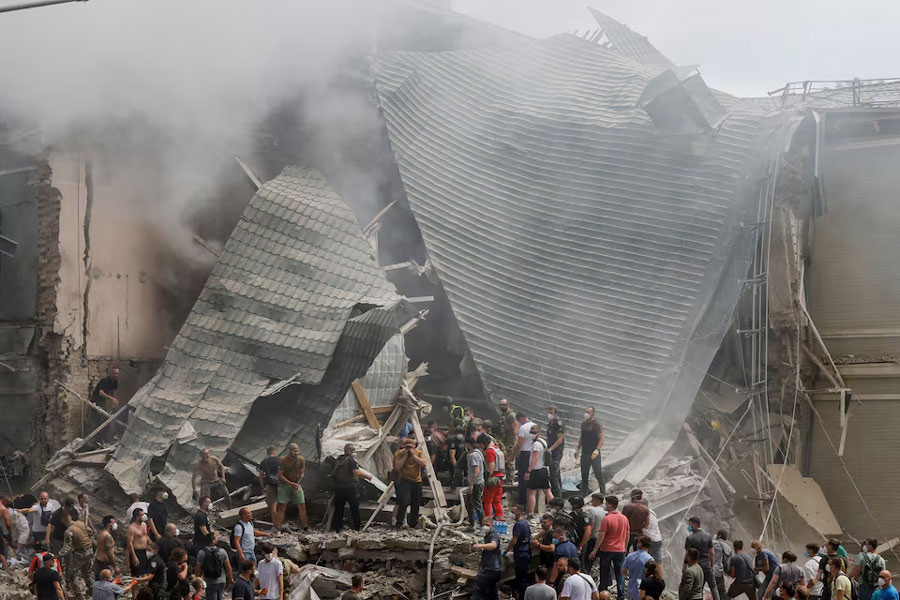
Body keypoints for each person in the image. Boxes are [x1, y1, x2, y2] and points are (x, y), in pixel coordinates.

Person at [592, 495, 629, 600]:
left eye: (606, 503)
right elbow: (627, 534)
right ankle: (621, 595)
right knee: (620, 573)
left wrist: (595, 549)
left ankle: (603, 592)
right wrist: (625, 547)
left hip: (607, 549)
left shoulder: (607, 518)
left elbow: (601, 535)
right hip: (620, 550)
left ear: (609, 505)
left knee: (604, 572)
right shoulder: (624, 518)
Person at [330, 443, 371, 532]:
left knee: (339, 508)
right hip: (350, 488)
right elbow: (356, 472)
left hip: (339, 487)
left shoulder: (339, 459)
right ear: (348, 450)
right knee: (354, 507)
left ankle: (338, 527)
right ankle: (357, 527)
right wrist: (367, 476)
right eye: (353, 450)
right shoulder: (351, 460)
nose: (354, 452)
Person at [59, 508, 93, 600]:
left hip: (80, 553)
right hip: (89, 550)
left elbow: (67, 547)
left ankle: (79, 595)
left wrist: (59, 555)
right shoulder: (80, 523)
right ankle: (91, 590)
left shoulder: (68, 531)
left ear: (62, 520)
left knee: (72, 574)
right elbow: (90, 531)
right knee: (86, 571)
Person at [393, 437, 426, 529]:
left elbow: (424, 464)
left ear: (415, 447)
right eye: (407, 447)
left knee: (416, 503)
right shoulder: (400, 453)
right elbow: (397, 466)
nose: (409, 449)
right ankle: (399, 523)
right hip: (405, 480)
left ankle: (413, 523)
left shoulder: (419, 453)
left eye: (411, 447)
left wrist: (413, 457)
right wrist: (406, 456)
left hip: (417, 481)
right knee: (403, 502)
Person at [684, 516, 720, 600]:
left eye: (690, 524)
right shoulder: (707, 536)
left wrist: (684, 568)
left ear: (694, 524)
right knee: (713, 586)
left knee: (697, 588)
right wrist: (711, 565)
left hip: (696, 565)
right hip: (707, 564)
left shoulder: (690, 538)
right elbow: (712, 553)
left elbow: (687, 554)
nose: (689, 526)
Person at [275, 443, 307, 531]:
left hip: (296, 483)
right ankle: (278, 527)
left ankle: (305, 526)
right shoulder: (283, 460)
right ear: (289, 451)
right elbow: (280, 475)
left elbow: (302, 472)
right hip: (284, 484)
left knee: (302, 505)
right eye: (294, 451)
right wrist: (290, 483)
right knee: (282, 506)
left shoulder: (301, 459)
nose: (296, 452)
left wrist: (297, 482)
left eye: (297, 451)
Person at [195, 531, 233, 600]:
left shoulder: (201, 552)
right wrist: (230, 578)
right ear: (213, 541)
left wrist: (198, 579)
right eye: (216, 538)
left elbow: (198, 567)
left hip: (209, 580)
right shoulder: (222, 551)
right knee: (220, 596)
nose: (217, 540)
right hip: (221, 580)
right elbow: (228, 567)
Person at [506, 504, 532, 600]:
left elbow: (514, 540)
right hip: (526, 553)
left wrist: (505, 551)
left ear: (519, 512)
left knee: (521, 579)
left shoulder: (518, 525)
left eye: (513, 512)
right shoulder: (525, 523)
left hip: (521, 555)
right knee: (524, 577)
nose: (511, 514)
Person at [575, 406, 604, 494]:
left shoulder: (596, 424)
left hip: (594, 451)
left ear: (593, 414)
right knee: (584, 474)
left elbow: (601, 438)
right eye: (585, 412)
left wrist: (597, 450)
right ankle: (583, 492)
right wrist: (578, 449)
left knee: (598, 472)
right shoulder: (583, 424)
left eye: (588, 412)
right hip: (585, 452)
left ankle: (603, 492)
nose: (586, 414)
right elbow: (581, 437)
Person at [472, 519, 503, 600]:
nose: (485, 527)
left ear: (492, 525)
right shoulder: (488, 536)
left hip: (491, 569)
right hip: (495, 569)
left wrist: (480, 546)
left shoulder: (493, 535)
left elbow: (493, 545)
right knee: (492, 592)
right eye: (484, 525)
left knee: (478, 591)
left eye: (487, 525)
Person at [526, 425, 553, 515]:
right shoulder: (543, 442)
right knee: (547, 491)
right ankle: (555, 508)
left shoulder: (536, 444)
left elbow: (534, 459)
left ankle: (530, 513)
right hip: (544, 470)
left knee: (531, 492)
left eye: (534, 433)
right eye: (531, 432)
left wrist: (528, 471)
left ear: (538, 433)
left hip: (536, 470)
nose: (531, 435)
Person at [512, 413, 536, 508]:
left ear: (521, 419)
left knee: (522, 479)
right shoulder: (534, 425)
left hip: (524, 454)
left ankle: (522, 502)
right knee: (530, 477)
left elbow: (520, 443)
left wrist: (512, 455)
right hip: (533, 452)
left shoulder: (522, 428)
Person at [480, 434, 505, 521]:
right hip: (500, 477)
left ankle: (487, 518)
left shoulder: (489, 451)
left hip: (493, 478)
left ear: (484, 443)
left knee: (487, 500)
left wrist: (486, 477)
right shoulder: (497, 449)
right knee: (497, 499)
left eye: (481, 444)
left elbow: (491, 466)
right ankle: (499, 517)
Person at [583, 491, 606, 574]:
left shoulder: (592, 511)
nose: (591, 502)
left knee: (588, 560)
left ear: (596, 500)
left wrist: (585, 539)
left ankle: (587, 575)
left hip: (593, 537)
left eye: (593, 499)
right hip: (602, 538)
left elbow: (591, 526)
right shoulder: (604, 511)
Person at [466, 437, 486, 531]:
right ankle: (475, 524)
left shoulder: (474, 455)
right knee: (471, 503)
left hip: (476, 483)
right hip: (479, 481)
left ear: (468, 444)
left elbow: (476, 471)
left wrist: (471, 485)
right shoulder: (479, 453)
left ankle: (481, 525)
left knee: (475, 505)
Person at [546, 405, 565, 497]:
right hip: (551, 451)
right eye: (548, 412)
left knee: (553, 476)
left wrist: (550, 449)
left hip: (557, 451)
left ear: (555, 413)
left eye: (551, 412)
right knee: (556, 474)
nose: (549, 414)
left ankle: (557, 497)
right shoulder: (550, 423)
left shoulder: (559, 423)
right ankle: (559, 495)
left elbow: (559, 440)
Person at [498, 398, 518, 484]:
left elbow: (515, 427)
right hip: (505, 440)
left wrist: (514, 441)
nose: (502, 407)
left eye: (504, 405)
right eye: (501, 405)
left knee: (510, 460)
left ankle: (510, 480)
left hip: (510, 440)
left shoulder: (511, 415)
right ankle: (508, 478)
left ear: (507, 405)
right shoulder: (504, 415)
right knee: (506, 459)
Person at [127, 507, 150, 576]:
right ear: (137, 517)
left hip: (144, 551)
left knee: (145, 572)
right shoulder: (132, 528)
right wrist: (134, 556)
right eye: (142, 515)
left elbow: (145, 536)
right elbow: (129, 543)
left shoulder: (144, 524)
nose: (144, 516)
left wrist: (151, 544)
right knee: (137, 573)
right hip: (136, 551)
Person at [570, 496, 593, 564]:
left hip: (579, 543)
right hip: (572, 543)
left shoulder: (583, 516)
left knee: (579, 564)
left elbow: (588, 532)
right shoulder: (572, 515)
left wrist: (580, 546)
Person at [258, 446, 280, 515]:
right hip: (280, 485)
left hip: (270, 485)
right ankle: (281, 520)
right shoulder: (280, 460)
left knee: (272, 505)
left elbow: (261, 475)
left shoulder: (264, 462)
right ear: (274, 452)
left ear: (267, 453)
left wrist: (262, 486)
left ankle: (276, 523)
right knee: (281, 504)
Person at [714, 530, 734, 600]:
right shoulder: (728, 548)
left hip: (706, 570)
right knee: (721, 592)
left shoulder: (710, 543)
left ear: (719, 535)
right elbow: (727, 565)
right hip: (718, 573)